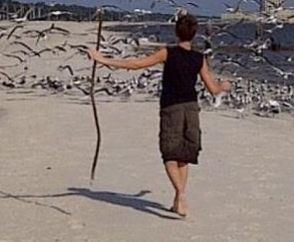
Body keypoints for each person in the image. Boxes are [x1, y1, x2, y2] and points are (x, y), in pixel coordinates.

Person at [88, 13, 230, 217]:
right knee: (184, 155)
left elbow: (137, 65)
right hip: (191, 108)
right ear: (194, 34)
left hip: (172, 108)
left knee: (170, 154)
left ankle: (180, 195)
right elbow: (213, 89)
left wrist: (102, 59)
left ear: (176, 32)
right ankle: (178, 199)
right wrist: (223, 86)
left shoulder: (167, 53)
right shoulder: (199, 58)